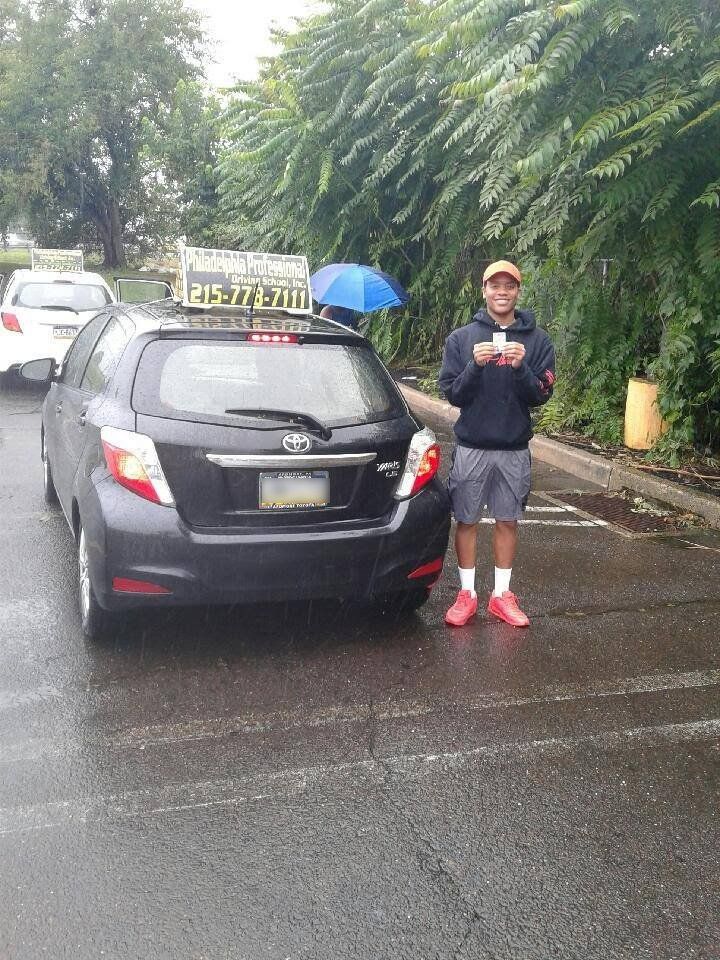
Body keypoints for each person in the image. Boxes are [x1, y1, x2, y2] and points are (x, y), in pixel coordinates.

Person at [438, 260, 556, 628]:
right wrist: (474, 365)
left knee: (508, 520)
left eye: (509, 285)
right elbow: (453, 394)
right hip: (472, 446)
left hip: (514, 448)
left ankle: (501, 595)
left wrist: (523, 368)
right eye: (495, 285)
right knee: (467, 520)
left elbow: (541, 395)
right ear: (484, 289)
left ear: (518, 291)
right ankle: (467, 594)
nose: (502, 291)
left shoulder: (537, 341)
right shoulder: (461, 339)